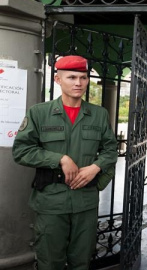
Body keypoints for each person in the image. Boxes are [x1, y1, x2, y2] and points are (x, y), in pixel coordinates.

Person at [12, 55, 118, 270]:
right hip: (51, 201)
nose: (78, 83)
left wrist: (96, 167)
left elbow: (110, 150)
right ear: (58, 80)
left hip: (85, 202)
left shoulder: (98, 115)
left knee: (81, 261)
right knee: (50, 262)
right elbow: (21, 151)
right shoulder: (40, 113)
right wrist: (60, 158)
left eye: (83, 77)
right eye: (71, 77)